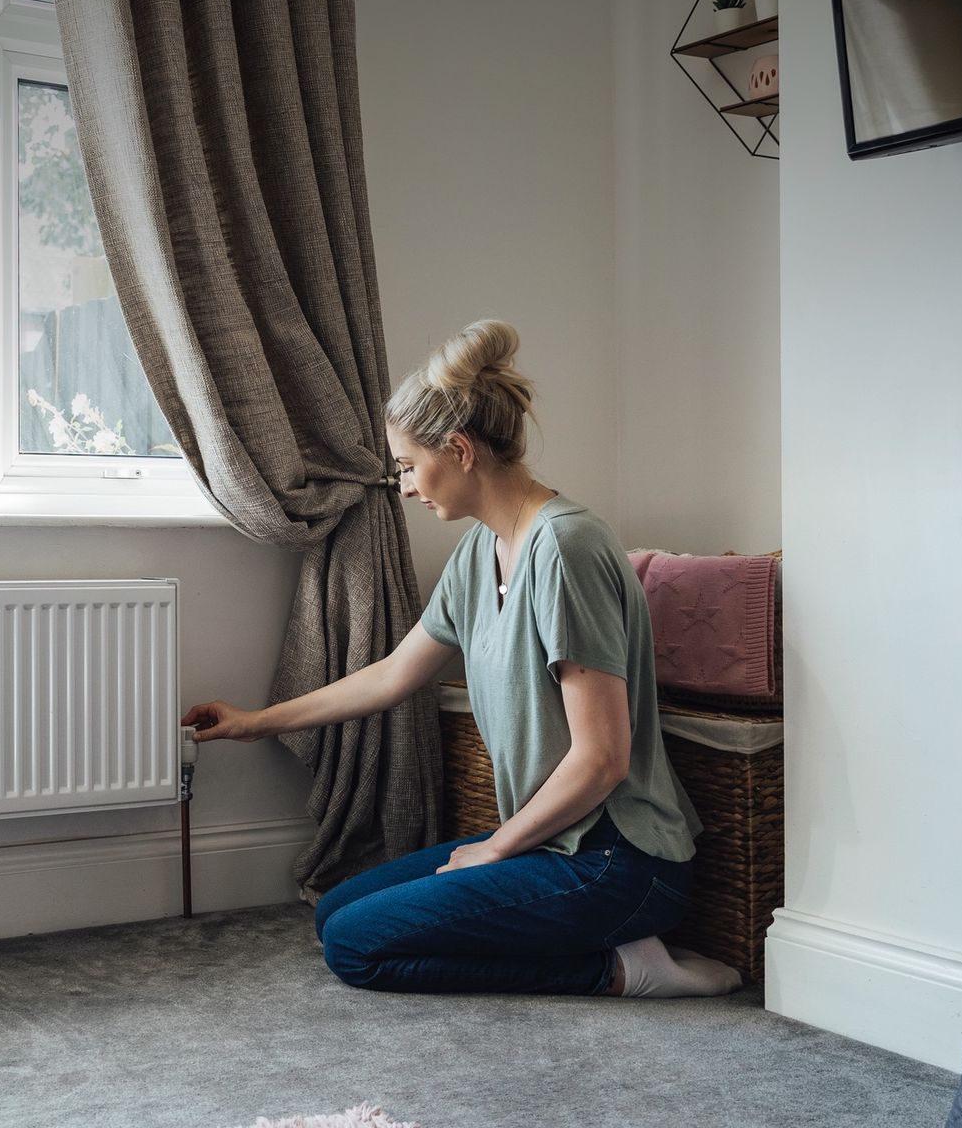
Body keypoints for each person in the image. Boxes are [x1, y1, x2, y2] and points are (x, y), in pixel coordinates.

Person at [181, 320, 742, 1000]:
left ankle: (626, 969)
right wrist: (254, 722)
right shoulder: (479, 553)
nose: (407, 486)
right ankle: (594, 937)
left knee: (357, 950)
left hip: (616, 859)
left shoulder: (566, 549)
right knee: (335, 912)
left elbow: (603, 759)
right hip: (552, 842)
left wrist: (498, 847)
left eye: (410, 466)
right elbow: (394, 673)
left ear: (459, 449)